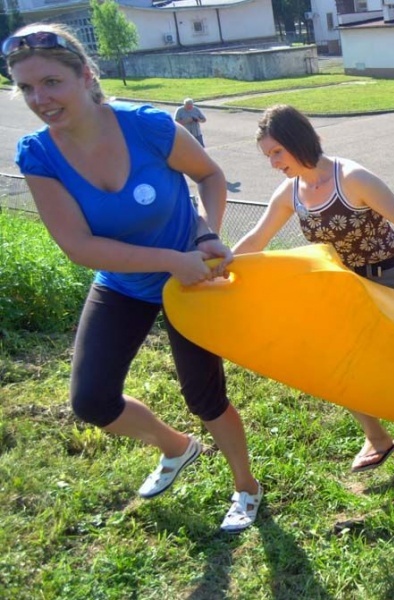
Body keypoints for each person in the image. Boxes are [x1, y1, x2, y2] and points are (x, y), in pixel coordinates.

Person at [6, 24, 262, 532]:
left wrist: (206, 231)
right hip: (126, 282)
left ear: (87, 75)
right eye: (27, 88)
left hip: (190, 280)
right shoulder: (38, 154)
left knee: (204, 397)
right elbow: (77, 245)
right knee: (91, 401)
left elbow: (208, 175)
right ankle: (176, 447)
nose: (40, 99)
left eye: (52, 82)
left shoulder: (146, 126)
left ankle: (246, 487)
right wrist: (168, 259)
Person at [232, 104, 394, 473]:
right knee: (334, 361)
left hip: (385, 276)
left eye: (277, 152)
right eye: (268, 155)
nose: (274, 162)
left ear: (298, 141)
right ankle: (377, 437)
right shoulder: (290, 192)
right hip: (342, 285)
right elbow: (257, 238)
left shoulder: (353, 177)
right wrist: (220, 265)